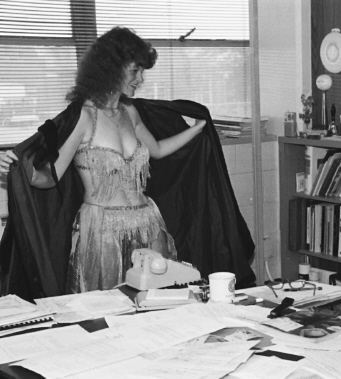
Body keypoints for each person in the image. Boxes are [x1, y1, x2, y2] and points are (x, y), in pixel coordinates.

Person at [0, 27, 256, 299]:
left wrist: (198, 129)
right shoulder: (84, 116)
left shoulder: (130, 111)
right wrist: (17, 169)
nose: (141, 79)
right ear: (111, 68)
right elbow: (50, 177)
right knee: (109, 305)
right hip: (102, 229)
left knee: (159, 300)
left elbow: (156, 150)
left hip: (148, 221)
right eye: (135, 71)